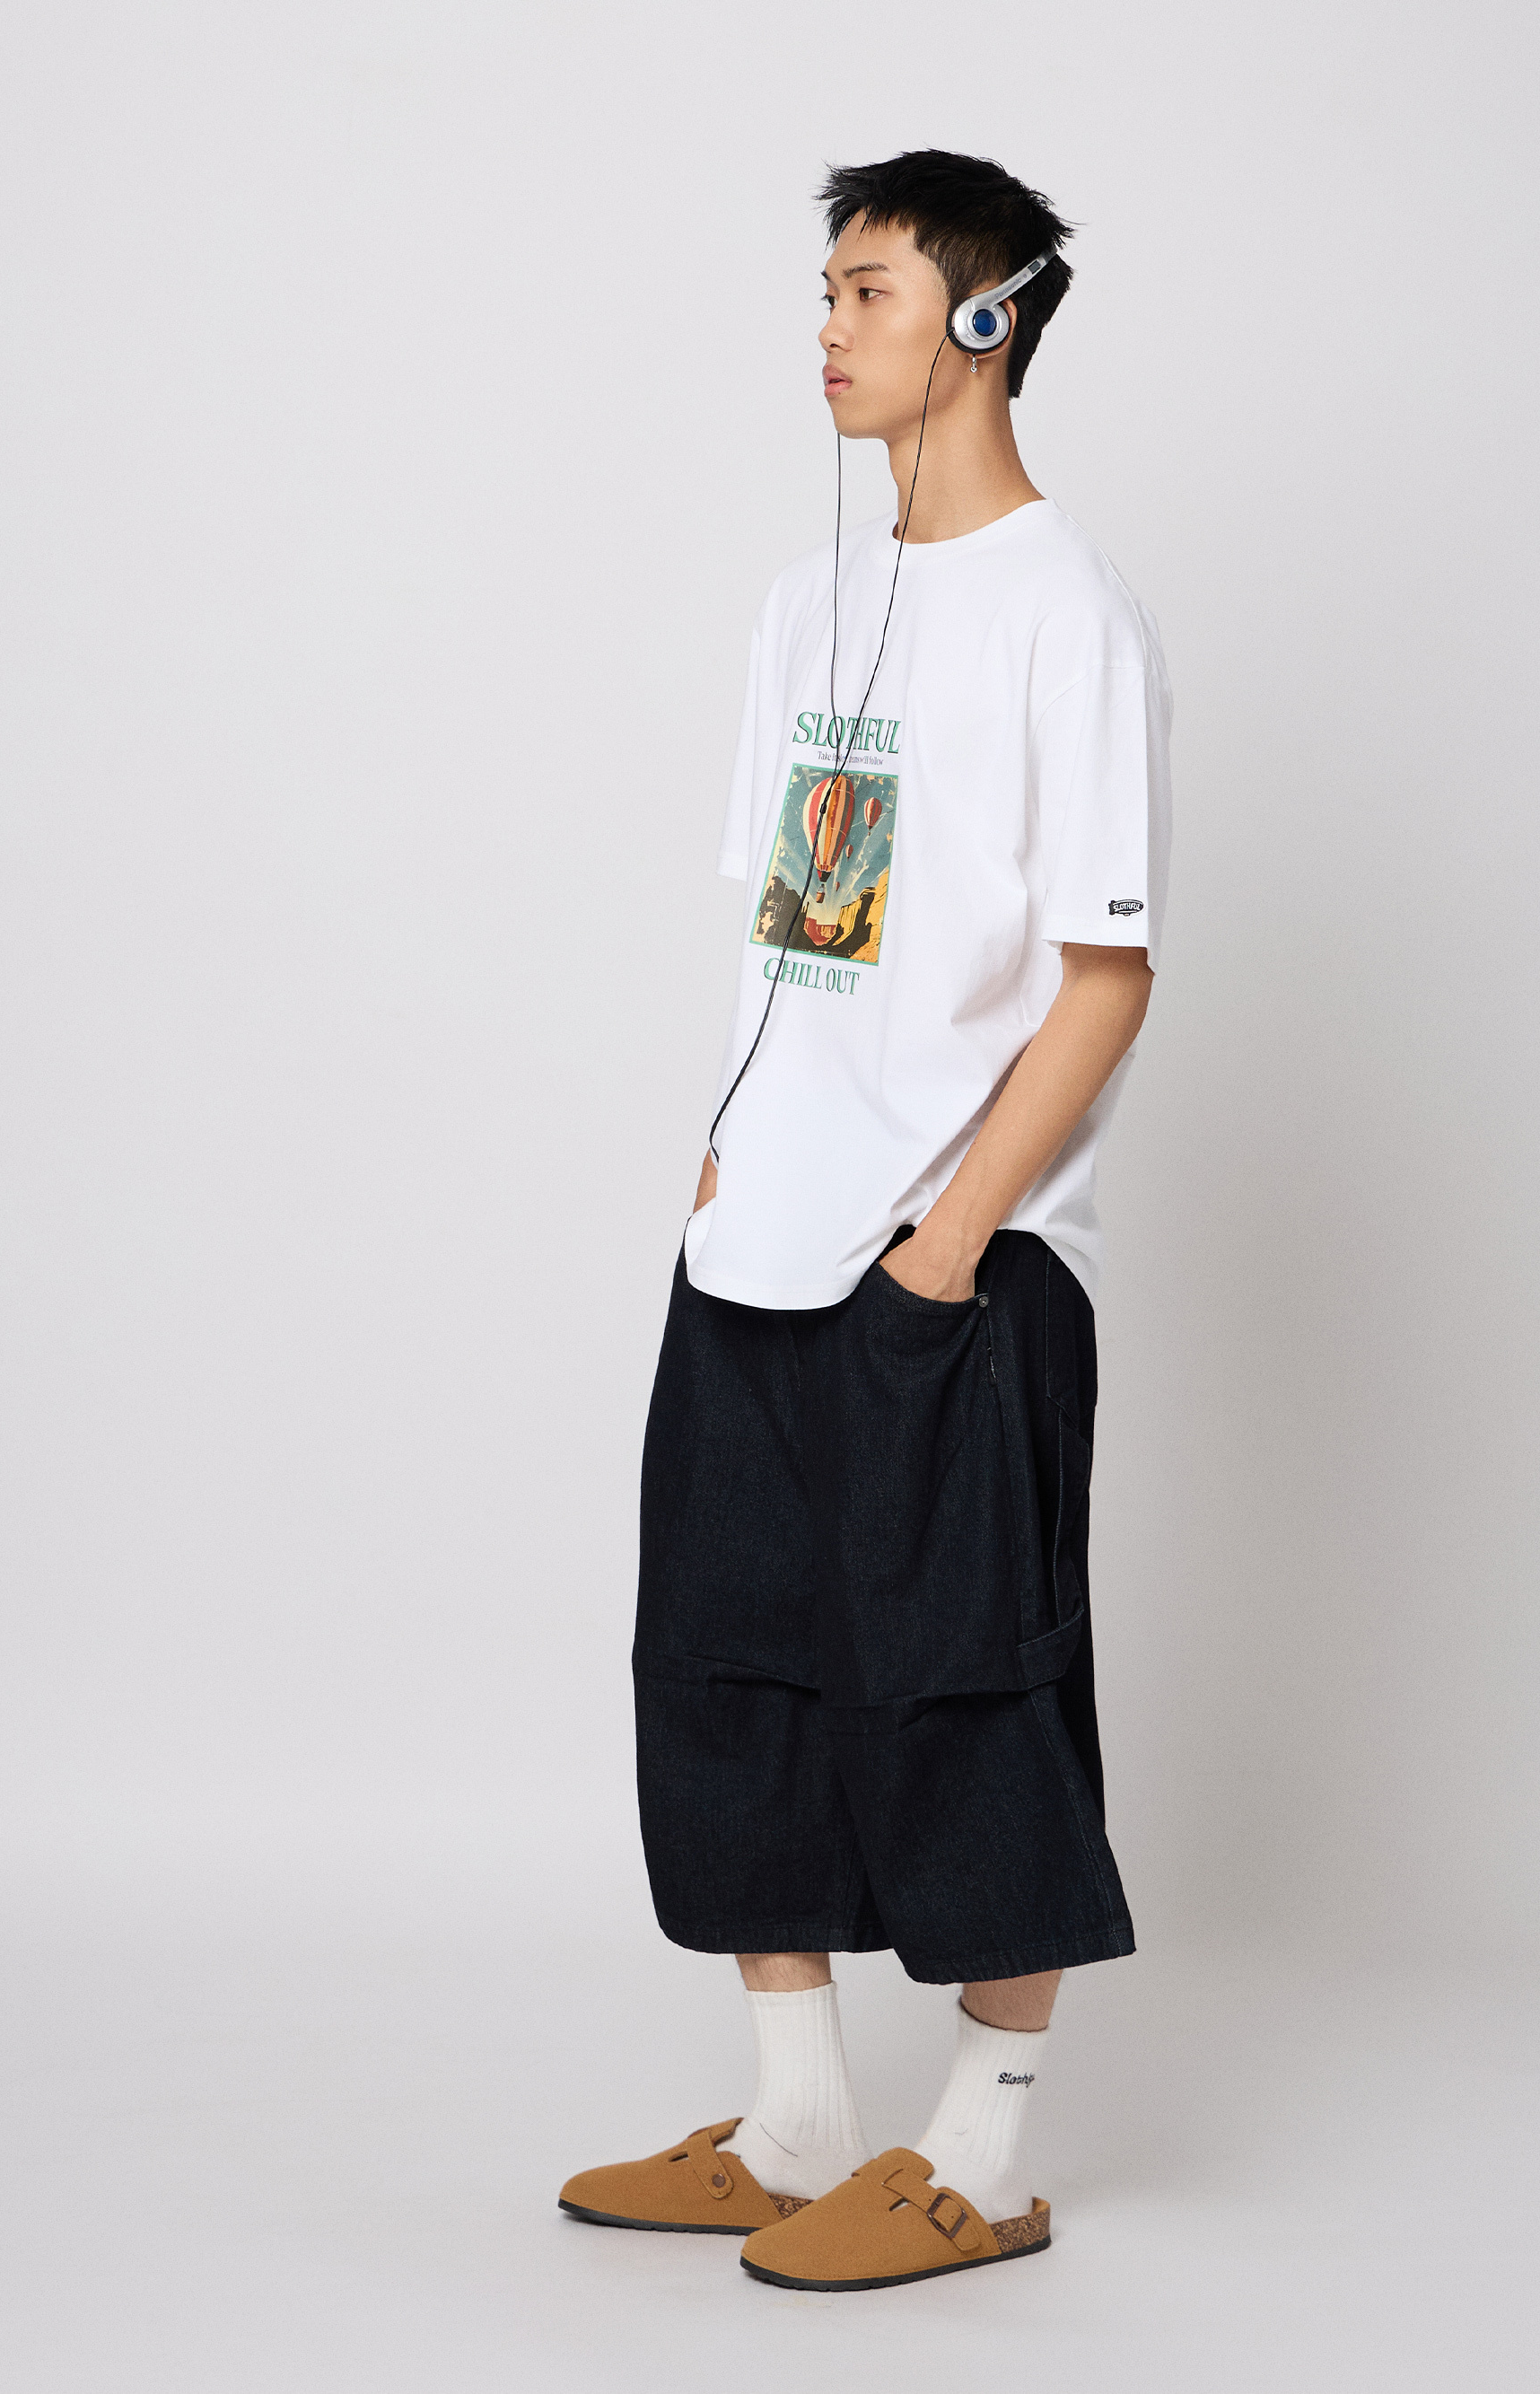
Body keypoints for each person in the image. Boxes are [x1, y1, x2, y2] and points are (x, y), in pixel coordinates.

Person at [559, 148, 1171, 2294]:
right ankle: (796, 2117)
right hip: (759, 1241)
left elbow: (1104, 975)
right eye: (822, 289)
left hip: (952, 1270)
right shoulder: (804, 605)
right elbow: (795, 926)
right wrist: (732, 1162)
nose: (825, 328)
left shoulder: (1069, 614)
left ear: (984, 324)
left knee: (966, 1686)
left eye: (871, 290)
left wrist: (949, 1240)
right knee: (728, 1664)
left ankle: (981, 2148)